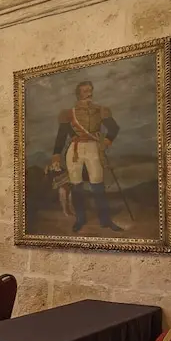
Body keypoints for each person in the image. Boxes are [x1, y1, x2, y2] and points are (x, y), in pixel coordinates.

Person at [50, 80, 123, 232]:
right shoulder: (68, 113)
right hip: (74, 151)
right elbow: (62, 135)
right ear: (78, 94)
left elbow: (114, 128)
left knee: (98, 185)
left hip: (93, 148)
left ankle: (106, 221)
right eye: (85, 91)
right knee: (76, 185)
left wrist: (106, 142)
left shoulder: (100, 110)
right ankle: (80, 220)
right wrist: (56, 154)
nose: (89, 93)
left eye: (90, 90)